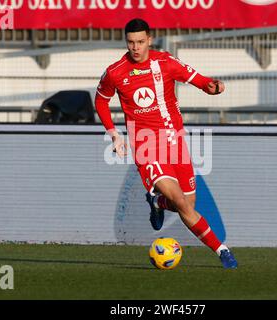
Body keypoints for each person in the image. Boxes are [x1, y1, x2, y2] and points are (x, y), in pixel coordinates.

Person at [94, 18, 237, 269]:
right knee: (181, 203)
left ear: (149, 39)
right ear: (126, 42)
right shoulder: (115, 72)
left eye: (140, 42)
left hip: (175, 142)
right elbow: (101, 101)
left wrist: (213, 86)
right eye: (131, 42)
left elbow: (199, 80)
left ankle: (157, 202)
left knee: (187, 205)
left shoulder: (166, 62)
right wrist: (115, 135)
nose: (135, 47)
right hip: (145, 145)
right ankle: (222, 251)